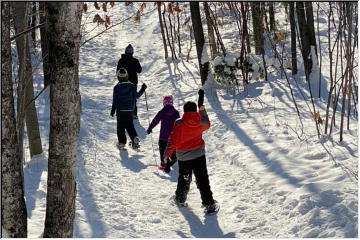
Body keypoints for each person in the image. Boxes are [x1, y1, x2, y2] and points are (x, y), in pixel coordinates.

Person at [164, 90, 219, 214]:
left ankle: (180, 199)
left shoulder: (179, 123)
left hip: (184, 157)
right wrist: (202, 109)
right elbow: (207, 123)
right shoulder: (200, 121)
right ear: (195, 110)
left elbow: (173, 141)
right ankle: (209, 204)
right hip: (199, 155)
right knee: (202, 179)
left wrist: (166, 155)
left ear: (184, 111)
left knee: (184, 178)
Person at [111, 68, 147, 150]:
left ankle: (121, 143)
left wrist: (113, 110)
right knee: (130, 125)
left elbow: (115, 100)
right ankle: (134, 138)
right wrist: (143, 89)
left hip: (120, 110)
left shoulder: (116, 87)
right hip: (130, 110)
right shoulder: (132, 86)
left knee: (120, 127)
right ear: (127, 76)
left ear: (118, 77)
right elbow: (136, 96)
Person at [147, 95, 180, 172]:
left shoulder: (162, 112)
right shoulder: (176, 113)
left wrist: (150, 128)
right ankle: (174, 159)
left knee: (162, 150)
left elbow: (156, 120)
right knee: (172, 149)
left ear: (164, 103)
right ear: (172, 102)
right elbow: (179, 124)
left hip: (163, 136)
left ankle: (163, 163)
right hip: (173, 136)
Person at [117, 44, 142, 119]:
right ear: (132, 53)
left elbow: (117, 71)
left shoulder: (121, 60)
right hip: (133, 82)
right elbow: (139, 70)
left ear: (125, 52)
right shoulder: (135, 61)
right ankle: (134, 113)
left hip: (123, 81)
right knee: (133, 97)